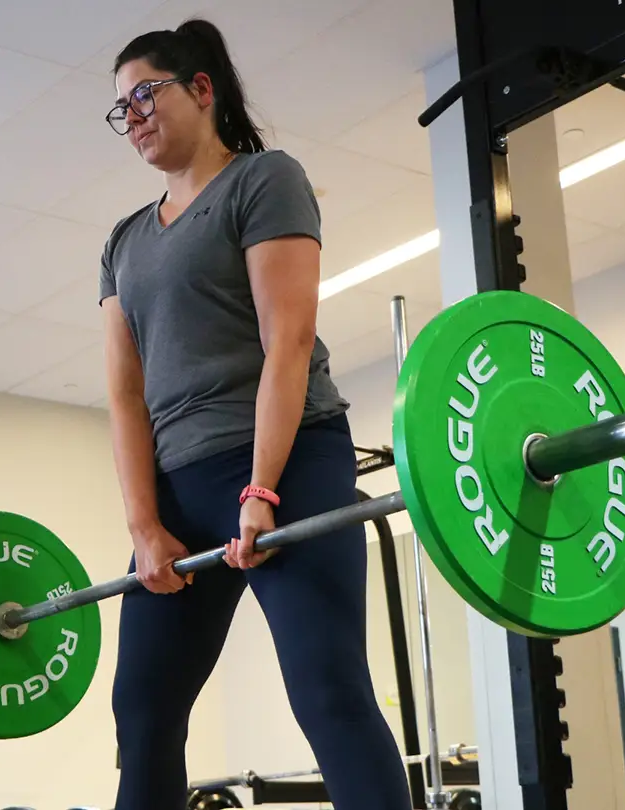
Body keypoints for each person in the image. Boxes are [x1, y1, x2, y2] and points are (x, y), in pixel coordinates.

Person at [98, 18, 412, 810]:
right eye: (120, 108)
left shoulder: (262, 180)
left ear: (201, 89)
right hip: (179, 484)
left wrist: (263, 487)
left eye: (145, 94)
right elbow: (127, 395)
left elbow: (289, 342)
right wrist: (144, 527)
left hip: (293, 460)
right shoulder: (123, 242)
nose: (132, 116)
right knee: (142, 712)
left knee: (327, 692)